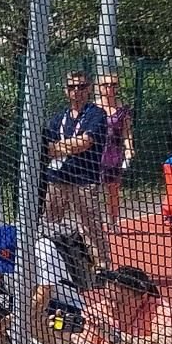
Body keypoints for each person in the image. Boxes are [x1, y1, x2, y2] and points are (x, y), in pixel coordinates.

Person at [44, 69, 113, 267]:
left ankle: (102, 267)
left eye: (82, 87)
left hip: (84, 180)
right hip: (57, 178)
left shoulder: (96, 114)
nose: (77, 91)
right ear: (66, 91)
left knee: (90, 226)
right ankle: (53, 264)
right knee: (49, 224)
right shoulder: (59, 118)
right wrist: (66, 147)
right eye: (72, 87)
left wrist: (60, 147)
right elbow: (47, 147)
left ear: (89, 89)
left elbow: (85, 143)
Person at [96, 70, 133, 228]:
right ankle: (93, 223)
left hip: (114, 153)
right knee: (91, 190)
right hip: (95, 153)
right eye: (106, 85)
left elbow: (127, 130)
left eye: (113, 85)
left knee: (113, 189)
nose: (110, 88)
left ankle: (113, 222)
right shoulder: (93, 108)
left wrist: (129, 147)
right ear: (99, 87)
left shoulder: (122, 109)